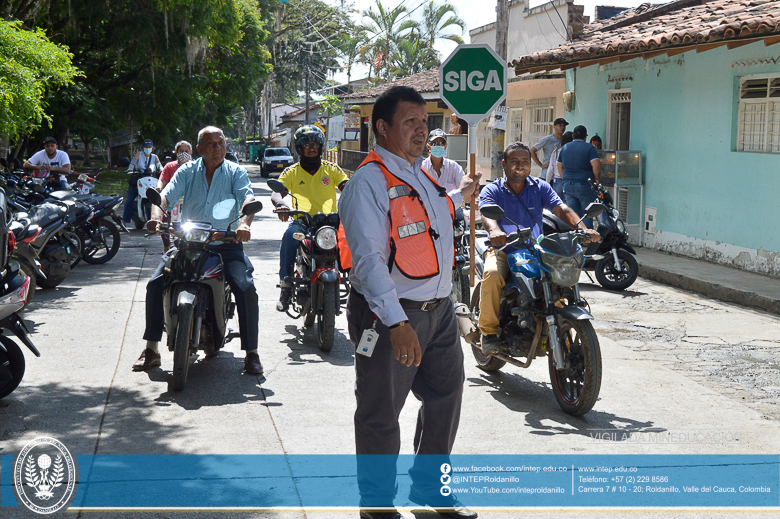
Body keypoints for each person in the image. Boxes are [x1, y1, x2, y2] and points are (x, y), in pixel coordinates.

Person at [339, 86, 481, 519]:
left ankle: (431, 488)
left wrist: (461, 199)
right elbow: (367, 261)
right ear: (382, 128)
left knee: (446, 397)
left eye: (425, 121)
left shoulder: (422, 173)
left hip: (438, 311)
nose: (422, 131)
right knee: (381, 411)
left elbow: (430, 218)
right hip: (391, 317)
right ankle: (378, 504)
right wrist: (397, 323)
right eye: (410, 122)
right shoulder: (369, 182)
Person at [133, 126, 263, 376]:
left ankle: (252, 353)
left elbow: (247, 199)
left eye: (221, 143)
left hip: (226, 244)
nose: (217, 148)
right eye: (211, 144)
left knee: (246, 288)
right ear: (199, 149)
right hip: (189, 243)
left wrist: (244, 224)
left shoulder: (235, 172)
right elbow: (163, 197)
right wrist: (156, 217)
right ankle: (151, 349)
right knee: (155, 283)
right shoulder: (187, 171)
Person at [478, 142, 600, 354]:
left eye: (525, 161)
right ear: (505, 164)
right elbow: (487, 215)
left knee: (561, 280)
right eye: (515, 162)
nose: (520, 166)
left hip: (534, 249)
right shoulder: (493, 190)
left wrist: (582, 228)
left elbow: (561, 208)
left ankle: (564, 331)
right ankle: (487, 333)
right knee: (492, 274)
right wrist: (494, 231)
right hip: (503, 249)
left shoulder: (540, 187)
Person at [272, 125, 348, 311]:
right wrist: (281, 204)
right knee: (290, 238)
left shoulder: (331, 169)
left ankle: (357, 284)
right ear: (299, 148)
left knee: (353, 241)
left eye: (315, 144)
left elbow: (347, 187)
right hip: (302, 224)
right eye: (307, 145)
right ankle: (286, 286)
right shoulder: (292, 172)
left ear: (321, 147)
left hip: (330, 224)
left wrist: (356, 198)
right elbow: (277, 193)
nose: (311, 148)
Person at [557, 125, 601, 228]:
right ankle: (587, 239)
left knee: (572, 214)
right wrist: (597, 179)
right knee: (587, 213)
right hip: (584, 185)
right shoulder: (589, 148)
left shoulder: (564, 148)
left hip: (568, 185)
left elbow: (559, 165)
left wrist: (564, 178)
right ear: (586, 136)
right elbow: (596, 165)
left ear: (573, 136)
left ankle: (575, 238)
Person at [156, 140, 193, 252]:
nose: (184, 153)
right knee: (164, 218)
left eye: (186, 151)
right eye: (181, 151)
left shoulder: (195, 167)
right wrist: (158, 188)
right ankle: (167, 246)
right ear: (176, 152)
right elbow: (162, 180)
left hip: (189, 201)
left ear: (190, 152)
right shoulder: (170, 166)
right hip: (173, 202)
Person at [421, 129, 466, 206]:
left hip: (452, 211)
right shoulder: (421, 168)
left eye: (441, 144)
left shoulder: (453, 167)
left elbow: (464, 188)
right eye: (434, 144)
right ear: (428, 146)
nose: (438, 146)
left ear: (445, 146)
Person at [123, 139, 161, 225]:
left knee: (158, 200)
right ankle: (124, 221)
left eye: (149, 147)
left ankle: (158, 220)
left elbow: (159, 166)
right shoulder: (138, 154)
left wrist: (161, 170)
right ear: (143, 148)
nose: (148, 148)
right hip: (137, 182)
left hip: (149, 182)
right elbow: (132, 163)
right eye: (146, 147)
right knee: (129, 200)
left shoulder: (155, 157)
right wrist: (130, 169)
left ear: (152, 148)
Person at [545, 131, 573, 199]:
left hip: (557, 181)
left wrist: (547, 183)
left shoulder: (556, 151)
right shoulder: (573, 152)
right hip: (569, 180)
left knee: (557, 204)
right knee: (568, 204)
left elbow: (550, 169)